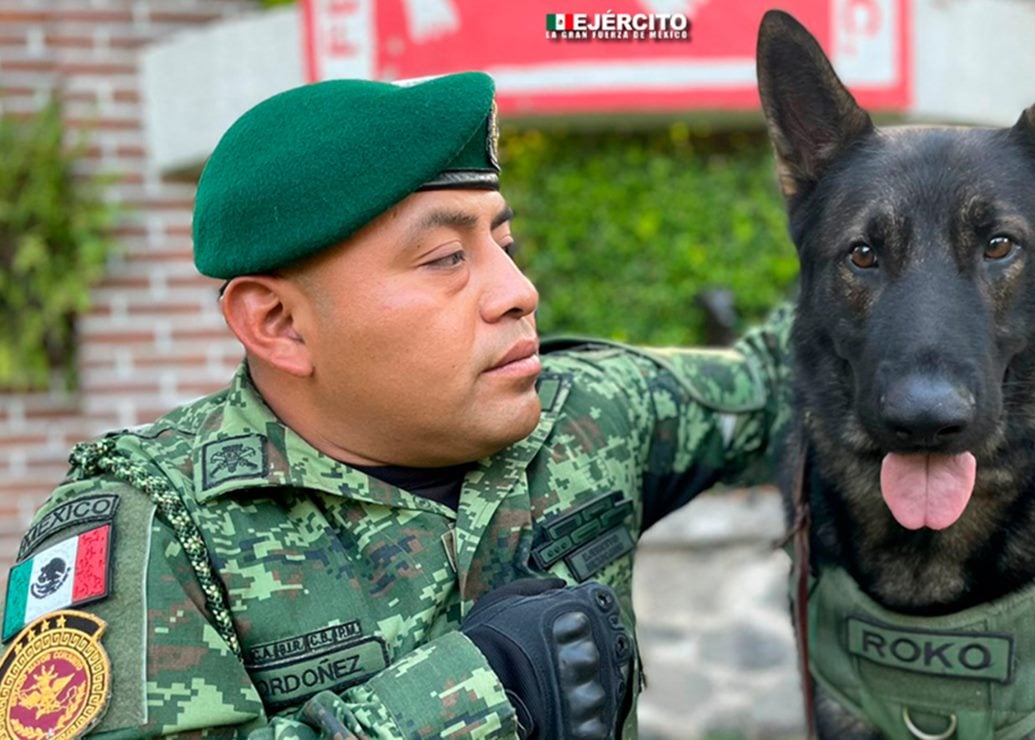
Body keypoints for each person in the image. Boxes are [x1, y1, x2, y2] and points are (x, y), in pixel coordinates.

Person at [0, 72, 792, 738]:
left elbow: (791, 375)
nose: (520, 293)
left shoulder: (587, 413)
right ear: (278, 324)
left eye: (502, 246)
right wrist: (482, 691)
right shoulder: (147, 532)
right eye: (447, 257)